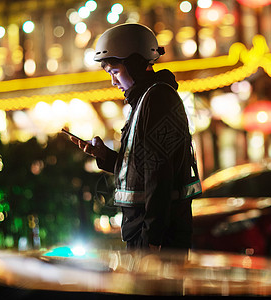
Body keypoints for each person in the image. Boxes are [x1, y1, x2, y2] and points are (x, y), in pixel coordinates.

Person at [73, 23, 201, 251]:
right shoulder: (145, 100)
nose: (113, 82)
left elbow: (158, 174)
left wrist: (153, 240)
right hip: (145, 231)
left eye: (114, 71)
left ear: (133, 64)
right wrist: (104, 155)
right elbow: (141, 166)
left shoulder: (158, 100)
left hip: (159, 236)